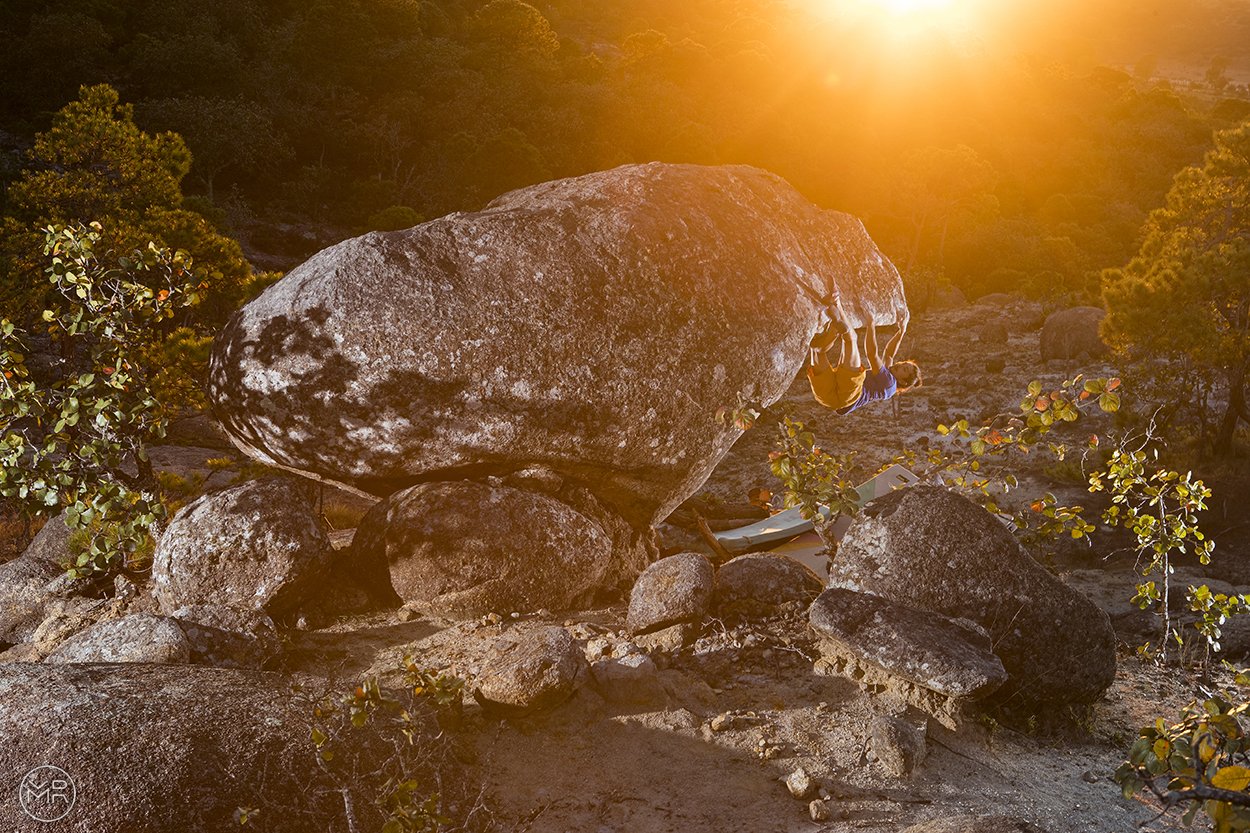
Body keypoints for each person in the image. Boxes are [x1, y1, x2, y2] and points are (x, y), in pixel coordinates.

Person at [806, 296, 920, 414]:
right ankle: (834, 327)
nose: (900, 365)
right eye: (903, 363)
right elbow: (889, 354)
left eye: (905, 369)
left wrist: (871, 324)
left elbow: (872, 354)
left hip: (849, 395)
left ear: (903, 382)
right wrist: (901, 331)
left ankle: (837, 304)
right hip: (828, 398)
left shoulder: (889, 382)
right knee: (817, 349)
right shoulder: (889, 382)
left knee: (851, 339)